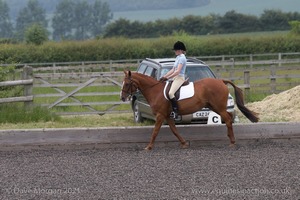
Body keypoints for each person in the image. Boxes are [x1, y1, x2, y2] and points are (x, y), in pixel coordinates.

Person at [159, 41, 187, 119]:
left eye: (176, 50)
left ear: (180, 50)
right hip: (175, 78)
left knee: (171, 93)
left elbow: (177, 71)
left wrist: (168, 78)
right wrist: (164, 76)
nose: (175, 51)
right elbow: (173, 69)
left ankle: (176, 111)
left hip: (180, 78)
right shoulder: (178, 57)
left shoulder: (182, 58)